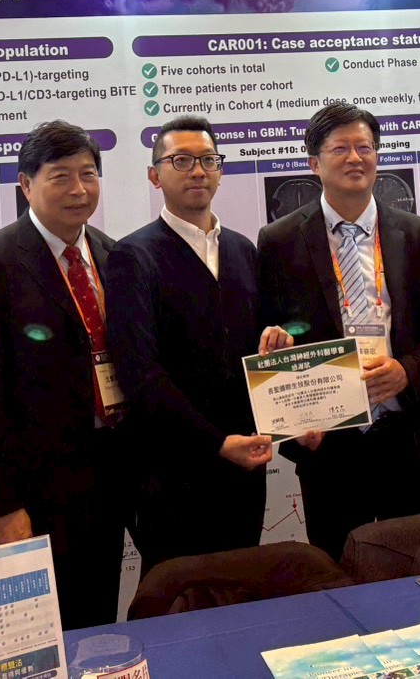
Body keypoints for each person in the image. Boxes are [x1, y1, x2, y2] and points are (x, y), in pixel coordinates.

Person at [256, 101, 420, 561]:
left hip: (407, 437)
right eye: (340, 149)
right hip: (328, 442)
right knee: (335, 569)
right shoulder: (279, 241)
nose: (355, 158)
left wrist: (409, 369)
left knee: (414, 568)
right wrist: (291, 421)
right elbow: (269, 334)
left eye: (365, 148)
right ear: (314, 163)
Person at [0, 120, 128, 629]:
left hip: (107, 479)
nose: (78, 189)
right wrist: (1, 506)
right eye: (60, 176)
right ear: (26, 184)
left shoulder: (112, 255)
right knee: (32, 637)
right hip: (31, 493)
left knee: (96, 624)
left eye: (88, 174)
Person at [106, 115, 272, 574]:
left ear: (220, 171)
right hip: (172, 471)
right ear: (155, 175)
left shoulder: (243, 249)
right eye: (181, 161)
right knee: (178, 597)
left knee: (242, 592)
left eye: (208, 160)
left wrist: (276, 345)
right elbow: (140, 373)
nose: (198, 171)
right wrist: (216, 442)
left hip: (245, 466)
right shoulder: (133, 255)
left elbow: (254, 349)